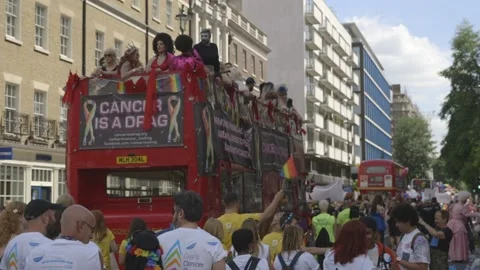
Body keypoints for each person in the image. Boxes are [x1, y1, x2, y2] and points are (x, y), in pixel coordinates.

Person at [157, 191, 227, 270]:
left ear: (181, 214)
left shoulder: (160, 240)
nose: (172, 217)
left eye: (173, 211)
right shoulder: (214, 244)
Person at [24, 205, 103, 270]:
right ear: (81, 226)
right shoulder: (93, 252)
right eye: (92, 230)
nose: (91, 235)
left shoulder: (34, 254)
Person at [0, 199, 61, 270]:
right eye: (53, 216)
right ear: (45, 218)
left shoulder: (12, 244)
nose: (54, 220)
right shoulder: (49, 246)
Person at [218, 190, 284, 250]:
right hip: (240, 256)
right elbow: (267, 215)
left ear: (224, 204)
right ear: (237, 204)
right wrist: (277, 199)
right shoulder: (244, 218)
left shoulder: (217, 222)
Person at [391, 203, 430, 270]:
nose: (396, 225)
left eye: (398, 221)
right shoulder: (404, 235)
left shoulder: (419, 239)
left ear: (407, 221)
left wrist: (397, 259)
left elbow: (422, 267)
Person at [312, 200, 335, 266]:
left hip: (319, 243)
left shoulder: (314, 219)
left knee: (320, 261)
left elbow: (314, 233)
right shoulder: (332, 218)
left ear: (319, 207)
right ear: (327, 207)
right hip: (330, 242)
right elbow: (334, 232)